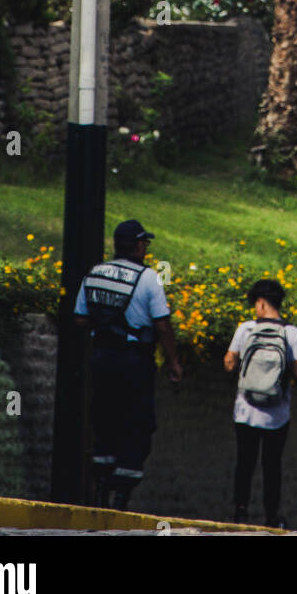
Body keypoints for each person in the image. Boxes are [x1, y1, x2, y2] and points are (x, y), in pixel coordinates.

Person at [74, 218, 182, 510]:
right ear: (136, 245)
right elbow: (162, 326)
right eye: (144, 242)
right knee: (137, 423)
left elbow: (80, 318)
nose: (145, 247)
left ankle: (100, 493)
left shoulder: (94, 273)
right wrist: (173, 362)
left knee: (105, 419)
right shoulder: (148, 278)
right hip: (134, 361)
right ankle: (120, 499)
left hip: (102, 359)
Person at [224, 279, 297, 528]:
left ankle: (240, 513)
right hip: (277, 414)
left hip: (245, 411)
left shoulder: (245, 329)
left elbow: (229, 363)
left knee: (245, 462)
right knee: (272, 465)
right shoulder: (292, 333)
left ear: (260, 303)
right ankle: (272, 517)